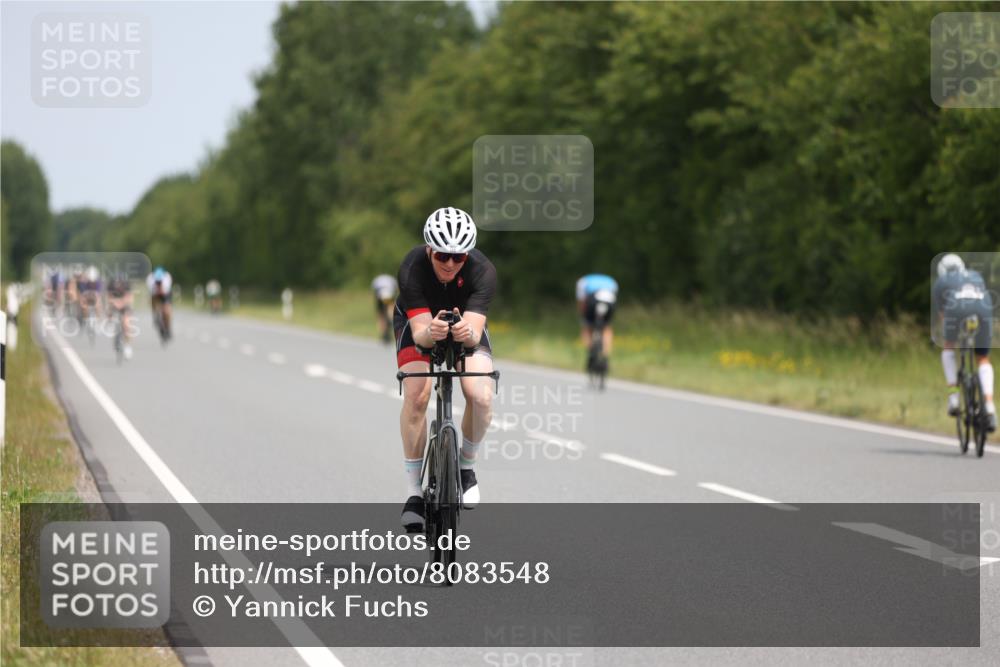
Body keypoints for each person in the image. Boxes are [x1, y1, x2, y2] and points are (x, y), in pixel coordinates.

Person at [395, 207, 497, 531]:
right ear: (429, 250)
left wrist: (466, 333)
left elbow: (475, 332)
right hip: (420, 323)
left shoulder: (483, 271)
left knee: (480, 395)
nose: (450, 264)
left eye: (459, 257)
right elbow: (422, 333)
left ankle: (466, 467)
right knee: (417, 392)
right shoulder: (412, 267)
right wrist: (431, 333)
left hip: (465, 323)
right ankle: (414, 495)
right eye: (442, 255)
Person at [934, 254, 995, 432]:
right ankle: (990, 405)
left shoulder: (940, 283)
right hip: (983, 307)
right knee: (983, 358)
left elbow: (944, 317)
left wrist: (955, 335)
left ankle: (953, 397)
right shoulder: (975, 274)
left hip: (955, 308)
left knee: (948, 348)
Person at [576, 273, 619, 366]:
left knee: (587, 327)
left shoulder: (583, 281)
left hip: (593, 300)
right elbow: (615, 298)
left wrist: (583, 316)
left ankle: (591, 351)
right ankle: (605, 355)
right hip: (609, 301)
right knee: (606, 328)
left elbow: (582, 301)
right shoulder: (611, 281)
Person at [107, 275, 135, 360]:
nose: (118, 287)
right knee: (109, 313)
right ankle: (113, 327)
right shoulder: (111, 286)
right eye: (116, 285)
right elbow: (109, 298)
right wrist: (114, 304)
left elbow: (129, 299)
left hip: (125, 305)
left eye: (119, 285)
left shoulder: (126, 286)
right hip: (115, 305)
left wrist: (121, 303)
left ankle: (127, 346)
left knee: (126, 324)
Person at [146, 267, 173, 341]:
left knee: (167, 310)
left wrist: (160, 290)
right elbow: (151, 293)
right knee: (153, 303)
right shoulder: (150, 279)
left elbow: (165, 292)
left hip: (165, 294)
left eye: (159, 281)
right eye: (157, 281)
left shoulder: (167, 279)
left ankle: (168, 327)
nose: (158, 282)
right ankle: (155, 315)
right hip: (154, 294)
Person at [371, 273, 399, 344]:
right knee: (391, 308)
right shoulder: (391, 280)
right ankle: (391, 318)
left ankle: (383, 330)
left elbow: (374, 293)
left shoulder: (377, 280)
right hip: (389, 294)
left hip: (380, 295)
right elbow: (395, 291)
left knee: (381, 315)